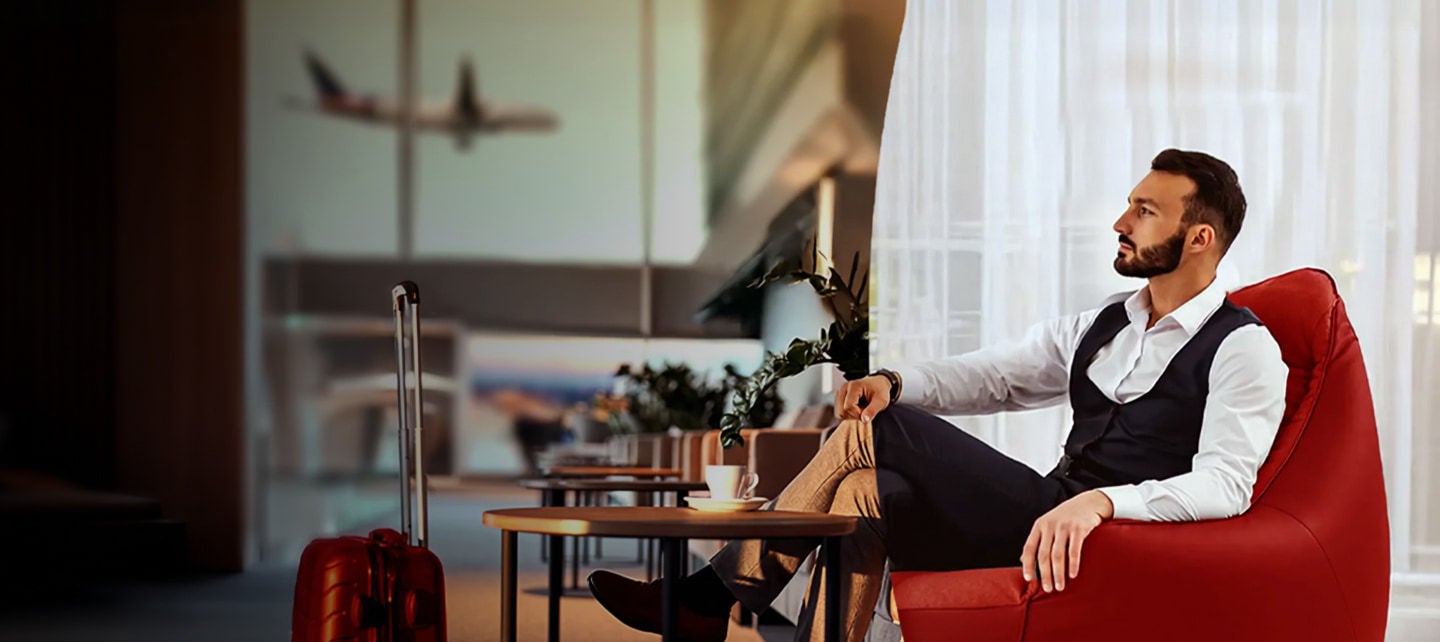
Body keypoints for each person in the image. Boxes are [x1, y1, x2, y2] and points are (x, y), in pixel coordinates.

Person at [587, 149, 1288, 642]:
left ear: (1199, 238)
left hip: (1107, 541)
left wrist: (1105, 500)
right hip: (1040, 522)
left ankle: (710, 597)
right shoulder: (1106, 320)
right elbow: (996, 375)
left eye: (1144, 211)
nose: (1120, 222)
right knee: (869, 486)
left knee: (889, 433)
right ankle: (734, 614)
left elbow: (1228, 484)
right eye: (1129, 206)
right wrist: (895, 382)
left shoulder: (1242, 346)